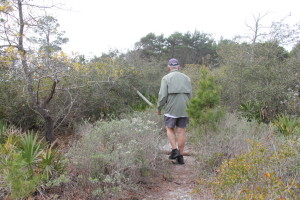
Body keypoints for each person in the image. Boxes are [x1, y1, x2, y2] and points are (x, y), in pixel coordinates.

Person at [157, 58, 192, 164]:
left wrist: (159, 108)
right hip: (185, 107)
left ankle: (174, 150)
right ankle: (180, 157)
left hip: (171, 107)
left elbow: (162, 96)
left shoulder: (166, 78)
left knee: (169, 127)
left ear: (169, 67)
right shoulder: (187, 78)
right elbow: (190, 95)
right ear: (179, 67)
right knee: (181, 131)